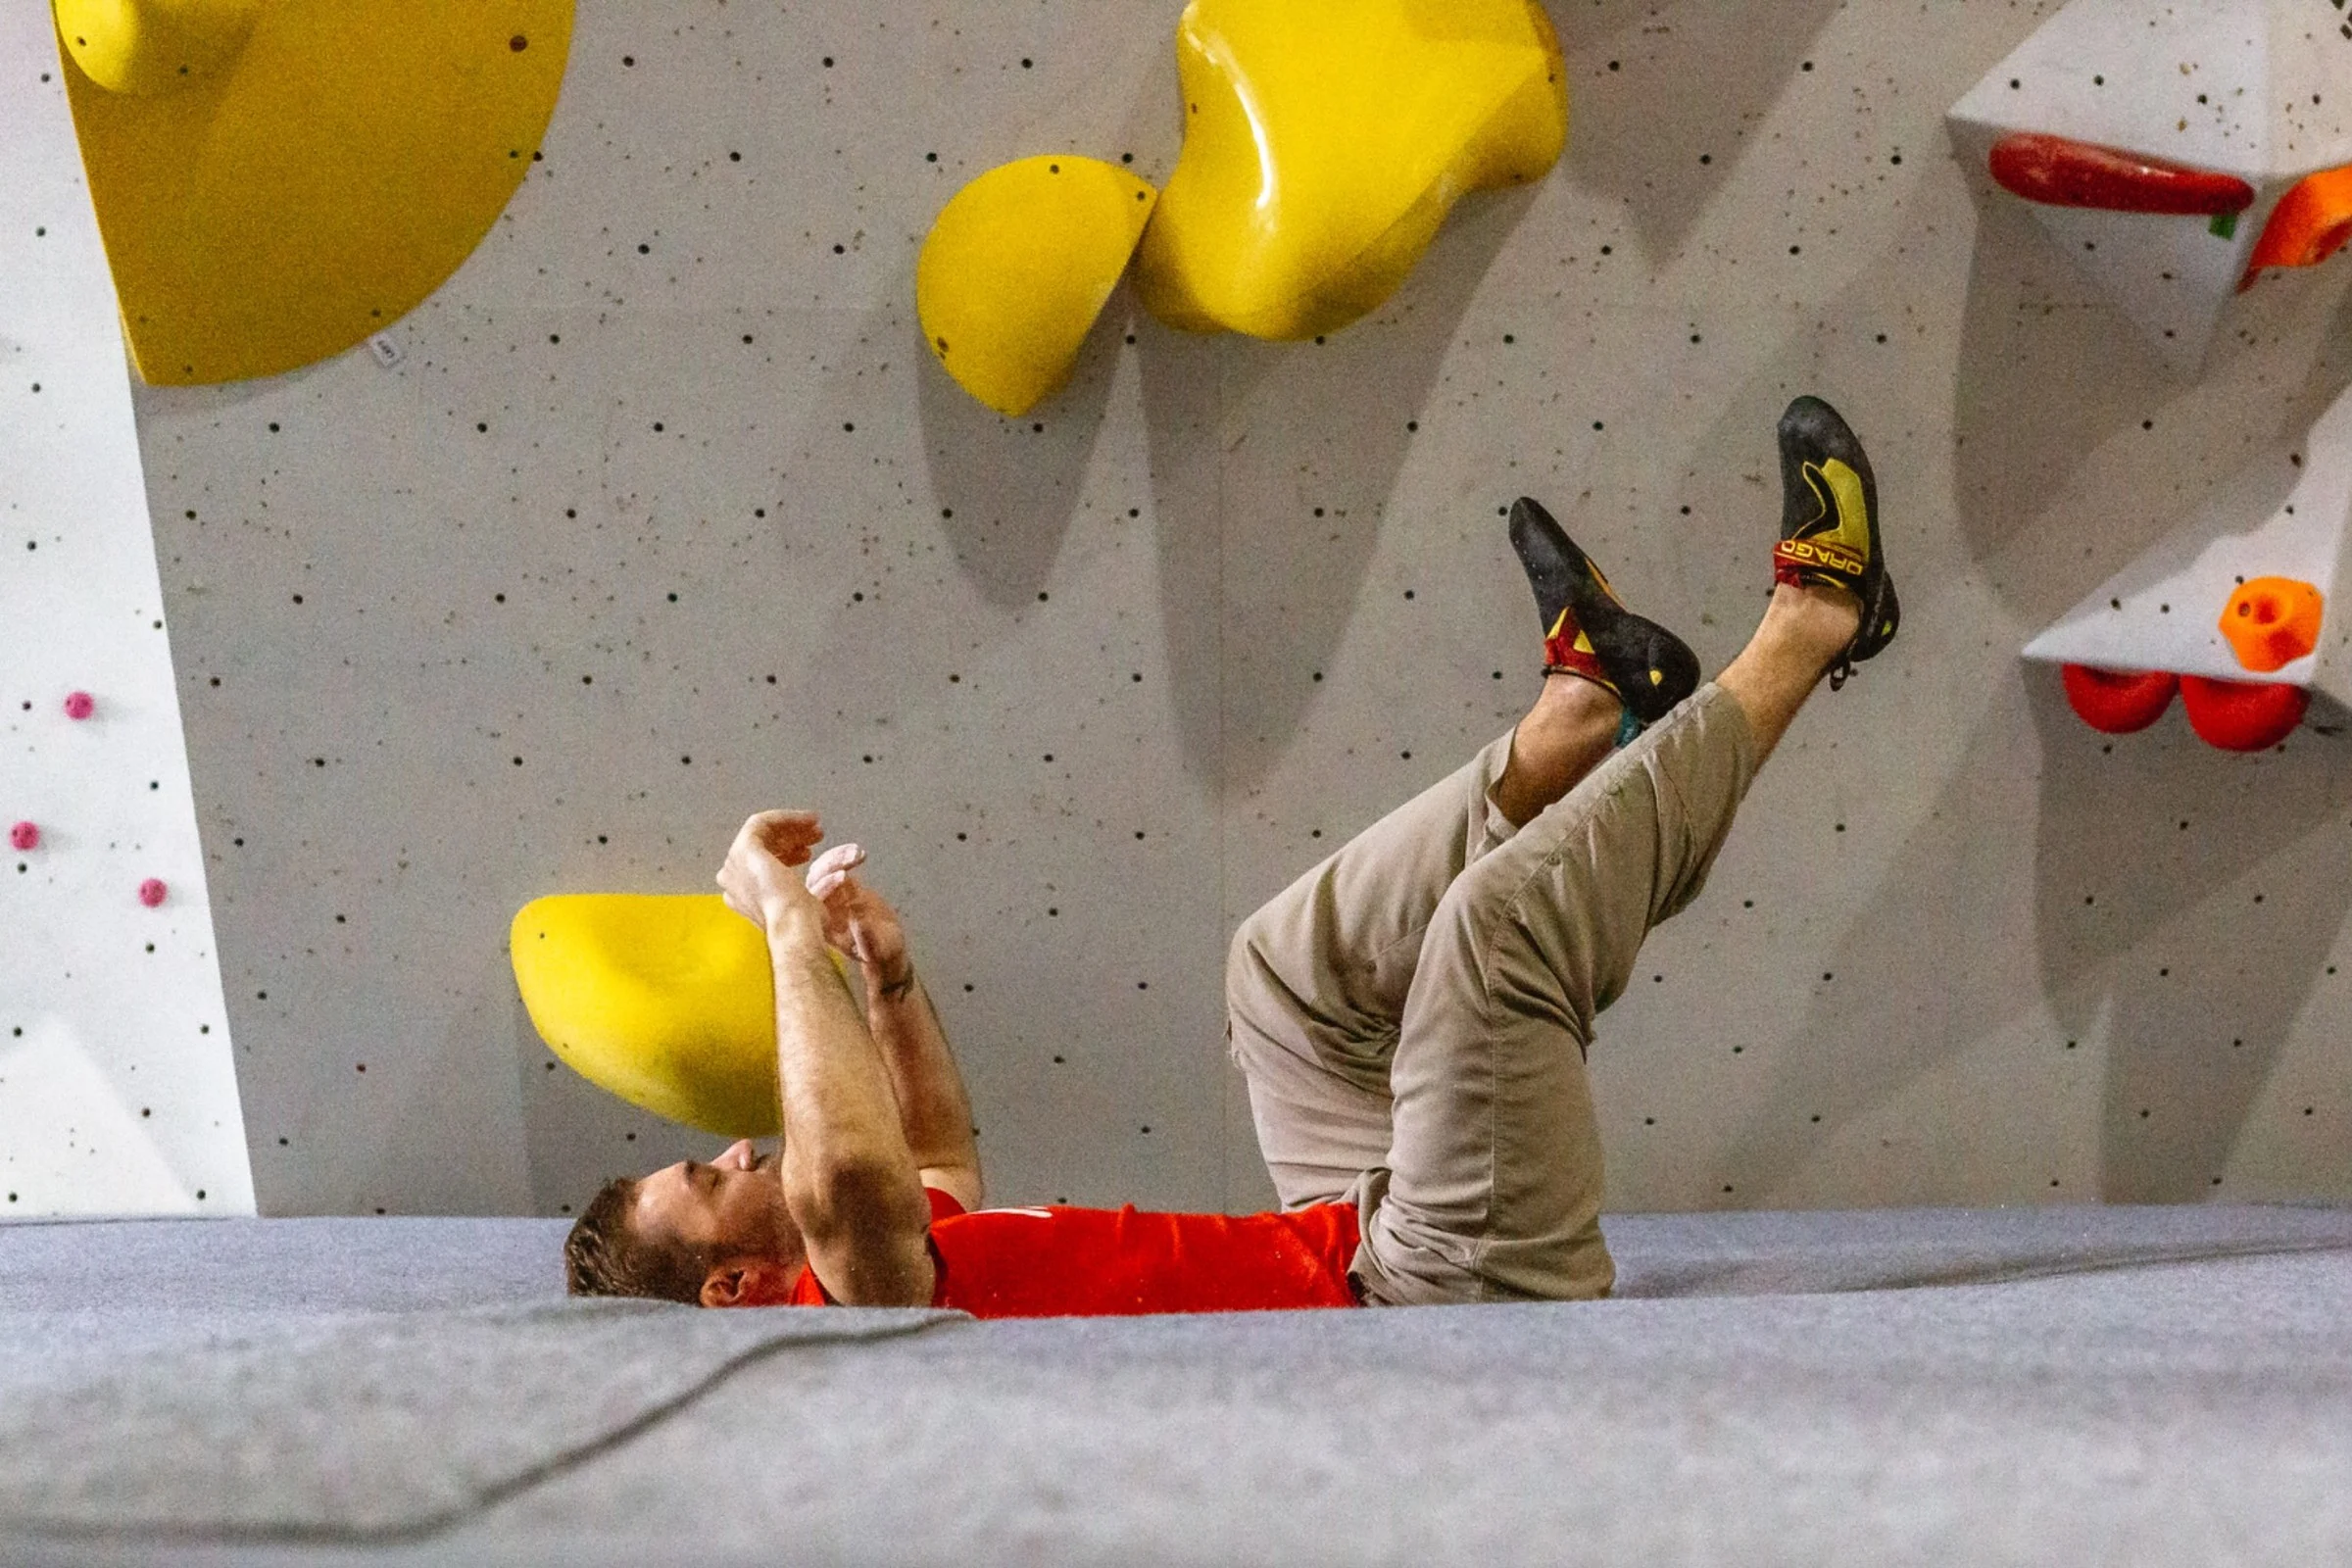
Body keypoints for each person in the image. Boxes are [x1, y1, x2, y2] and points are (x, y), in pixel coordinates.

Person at [564, 396, 1899, 1315]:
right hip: (1439, 1290)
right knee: (1488, 942)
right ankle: (1817, 618)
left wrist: (890, 985)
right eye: (708, 1181)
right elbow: (848, 1178)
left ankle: (1581, 709)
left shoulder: (899, 1260)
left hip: (1348, 1228)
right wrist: (781, 921)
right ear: (732, 1287)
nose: (736, 1151)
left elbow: (932, 1162)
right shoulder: (843, 1309)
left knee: (1277, 976)